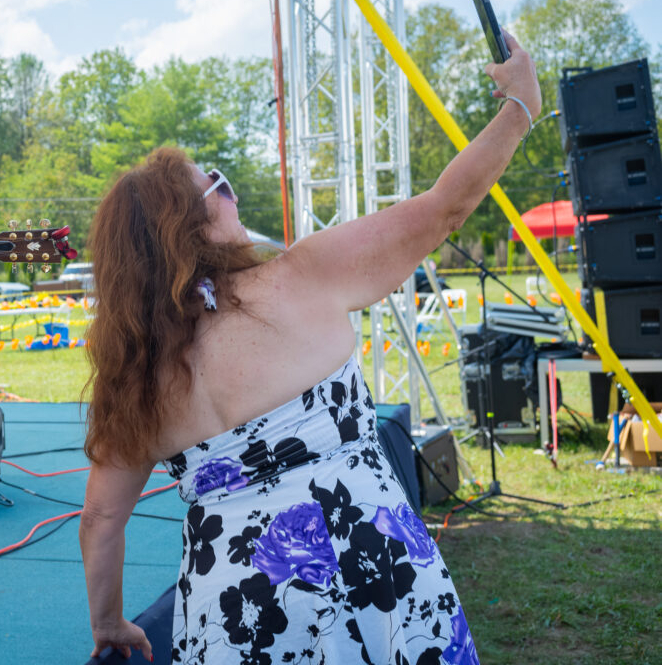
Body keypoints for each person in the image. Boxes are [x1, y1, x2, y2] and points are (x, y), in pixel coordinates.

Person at [79, 34, 541, 663]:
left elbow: (103, 522)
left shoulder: (135, 375)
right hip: (375, 573)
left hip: (234, 613)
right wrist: (520, 108)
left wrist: (107, 623)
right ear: (188, 225)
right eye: (218, 184)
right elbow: (446, 208)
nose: (232, 193)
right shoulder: (301, 274)